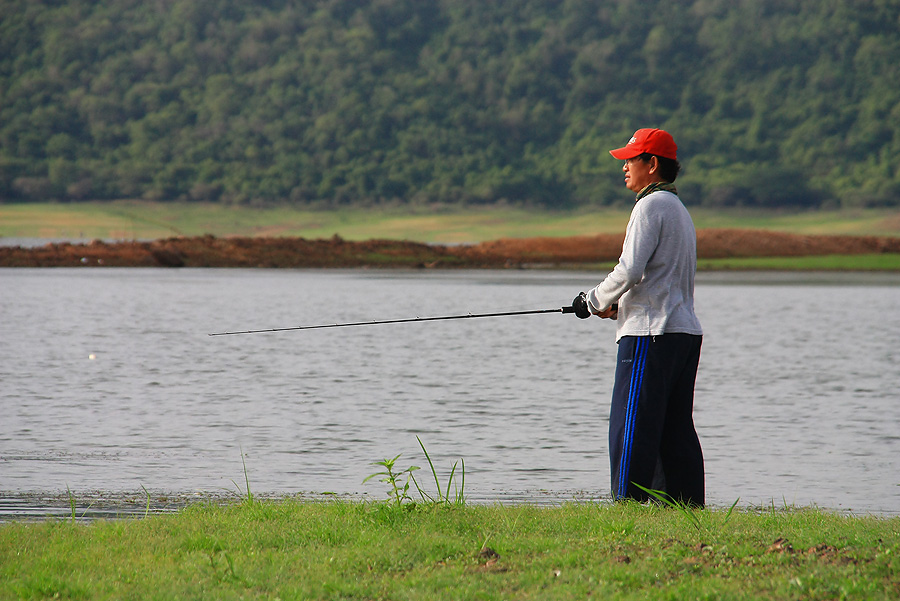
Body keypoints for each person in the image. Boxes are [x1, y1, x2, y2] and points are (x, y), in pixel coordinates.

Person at [571, 128, 705, 507]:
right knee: (674, 430)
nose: (625, 167)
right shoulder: (678, 209)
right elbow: (657, 278)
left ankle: (626, 507)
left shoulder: (649, 206)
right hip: (683, 333)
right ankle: (686, 509)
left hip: (650, 334)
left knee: (630, 425)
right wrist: (619, 305)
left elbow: (629, 270)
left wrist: (592, 300)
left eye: (631, 159)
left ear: (652, 163)